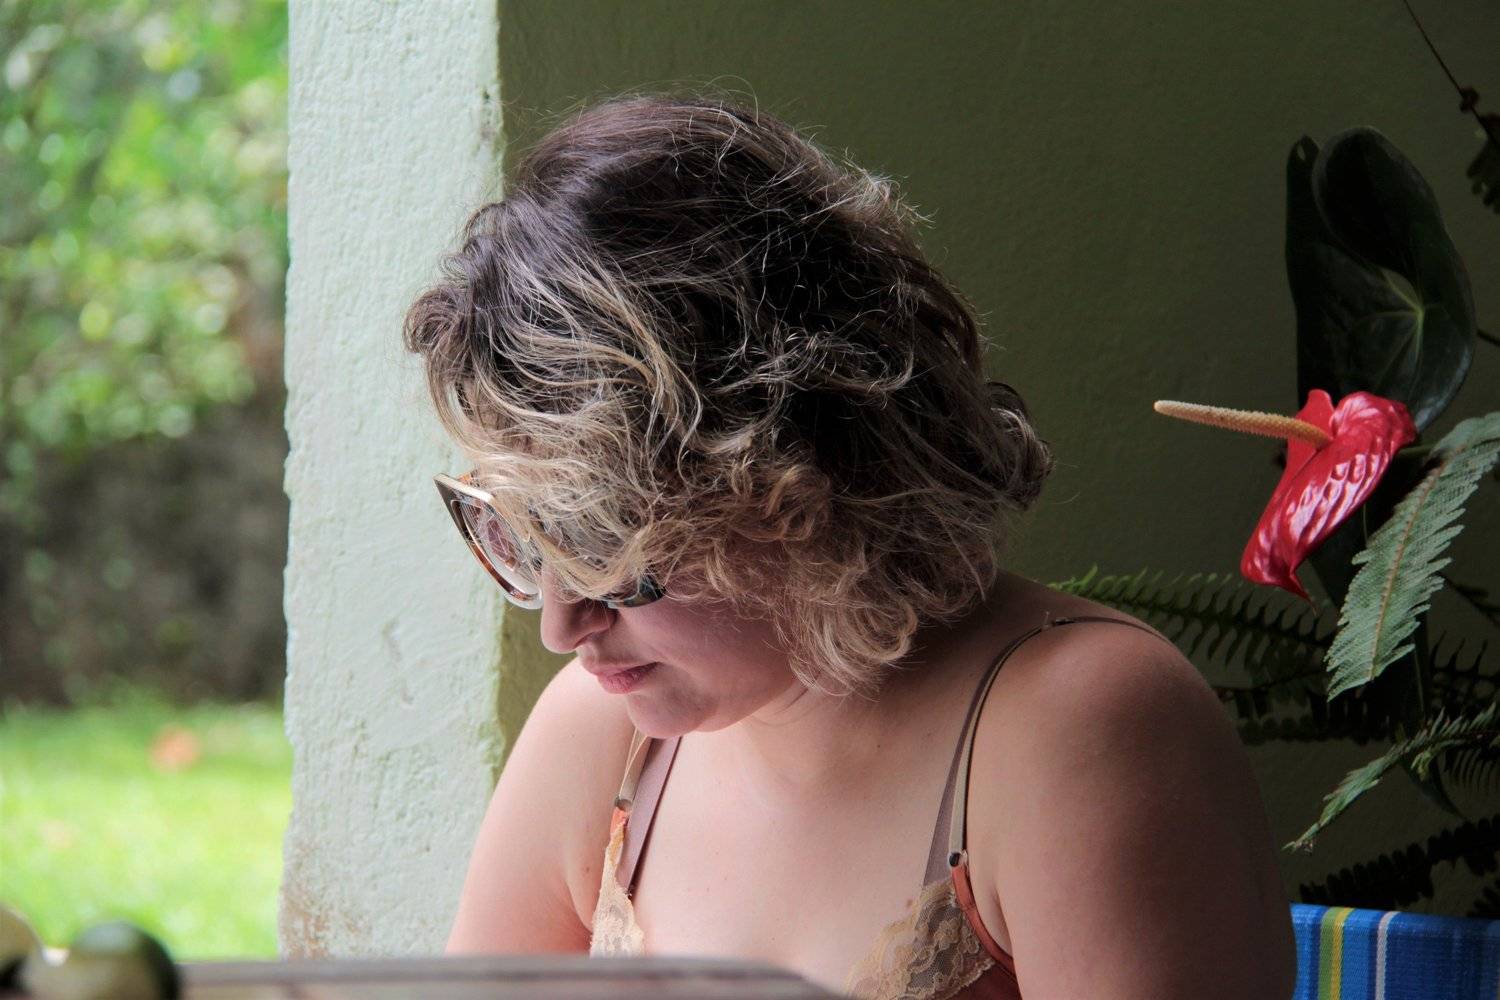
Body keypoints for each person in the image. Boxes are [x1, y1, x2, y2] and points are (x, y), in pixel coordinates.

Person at [402, 91, 1297, 1000]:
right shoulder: (602, 739)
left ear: (796, 476)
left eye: (604, 539)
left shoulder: (1081, 728)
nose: (560, 626)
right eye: (526, 536)